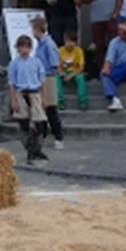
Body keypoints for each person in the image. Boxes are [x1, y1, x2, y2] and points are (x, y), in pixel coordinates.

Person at [8, 34, 50, 164]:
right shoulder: (14, 63)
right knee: (24, 125)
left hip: (35, 93)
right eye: (22, 47)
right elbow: (12, 83)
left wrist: (44, 98)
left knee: (41, 124)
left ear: (31, 48)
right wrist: (13, 100)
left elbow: (42, 81)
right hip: (21, 94)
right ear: (18, 48)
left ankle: (38, 149)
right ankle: (30, 151)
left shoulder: (36, 62)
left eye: (27, 47)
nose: (25, 50)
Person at [31, 16, 65, 151]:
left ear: (38, 29)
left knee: (50, 108)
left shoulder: (48, 44)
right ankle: (41, 136)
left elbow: (54, 64)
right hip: (39, 78)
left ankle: (58, 137)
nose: (32, 32)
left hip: (48, 78)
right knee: (40, 109)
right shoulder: (39, 44)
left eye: (33, 28)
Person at [84, 0, 123, 66]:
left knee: (113, 43)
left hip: (111, 17)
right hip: (96, 18)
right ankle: (102, 69)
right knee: (99, 45)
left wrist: (116, 12)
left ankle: (114, 67)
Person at [56, 30, 88, 111]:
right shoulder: (60, 50)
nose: (70, 44)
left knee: (81, 78)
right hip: (63, 72)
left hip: (75, 72)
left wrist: (71, 75)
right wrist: (61, 73)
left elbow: (81, 67)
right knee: (56, 78)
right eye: (68, 41)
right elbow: (57, 66)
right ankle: (60, 102)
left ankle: (83, 101)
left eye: (72, 41)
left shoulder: (79, 51)